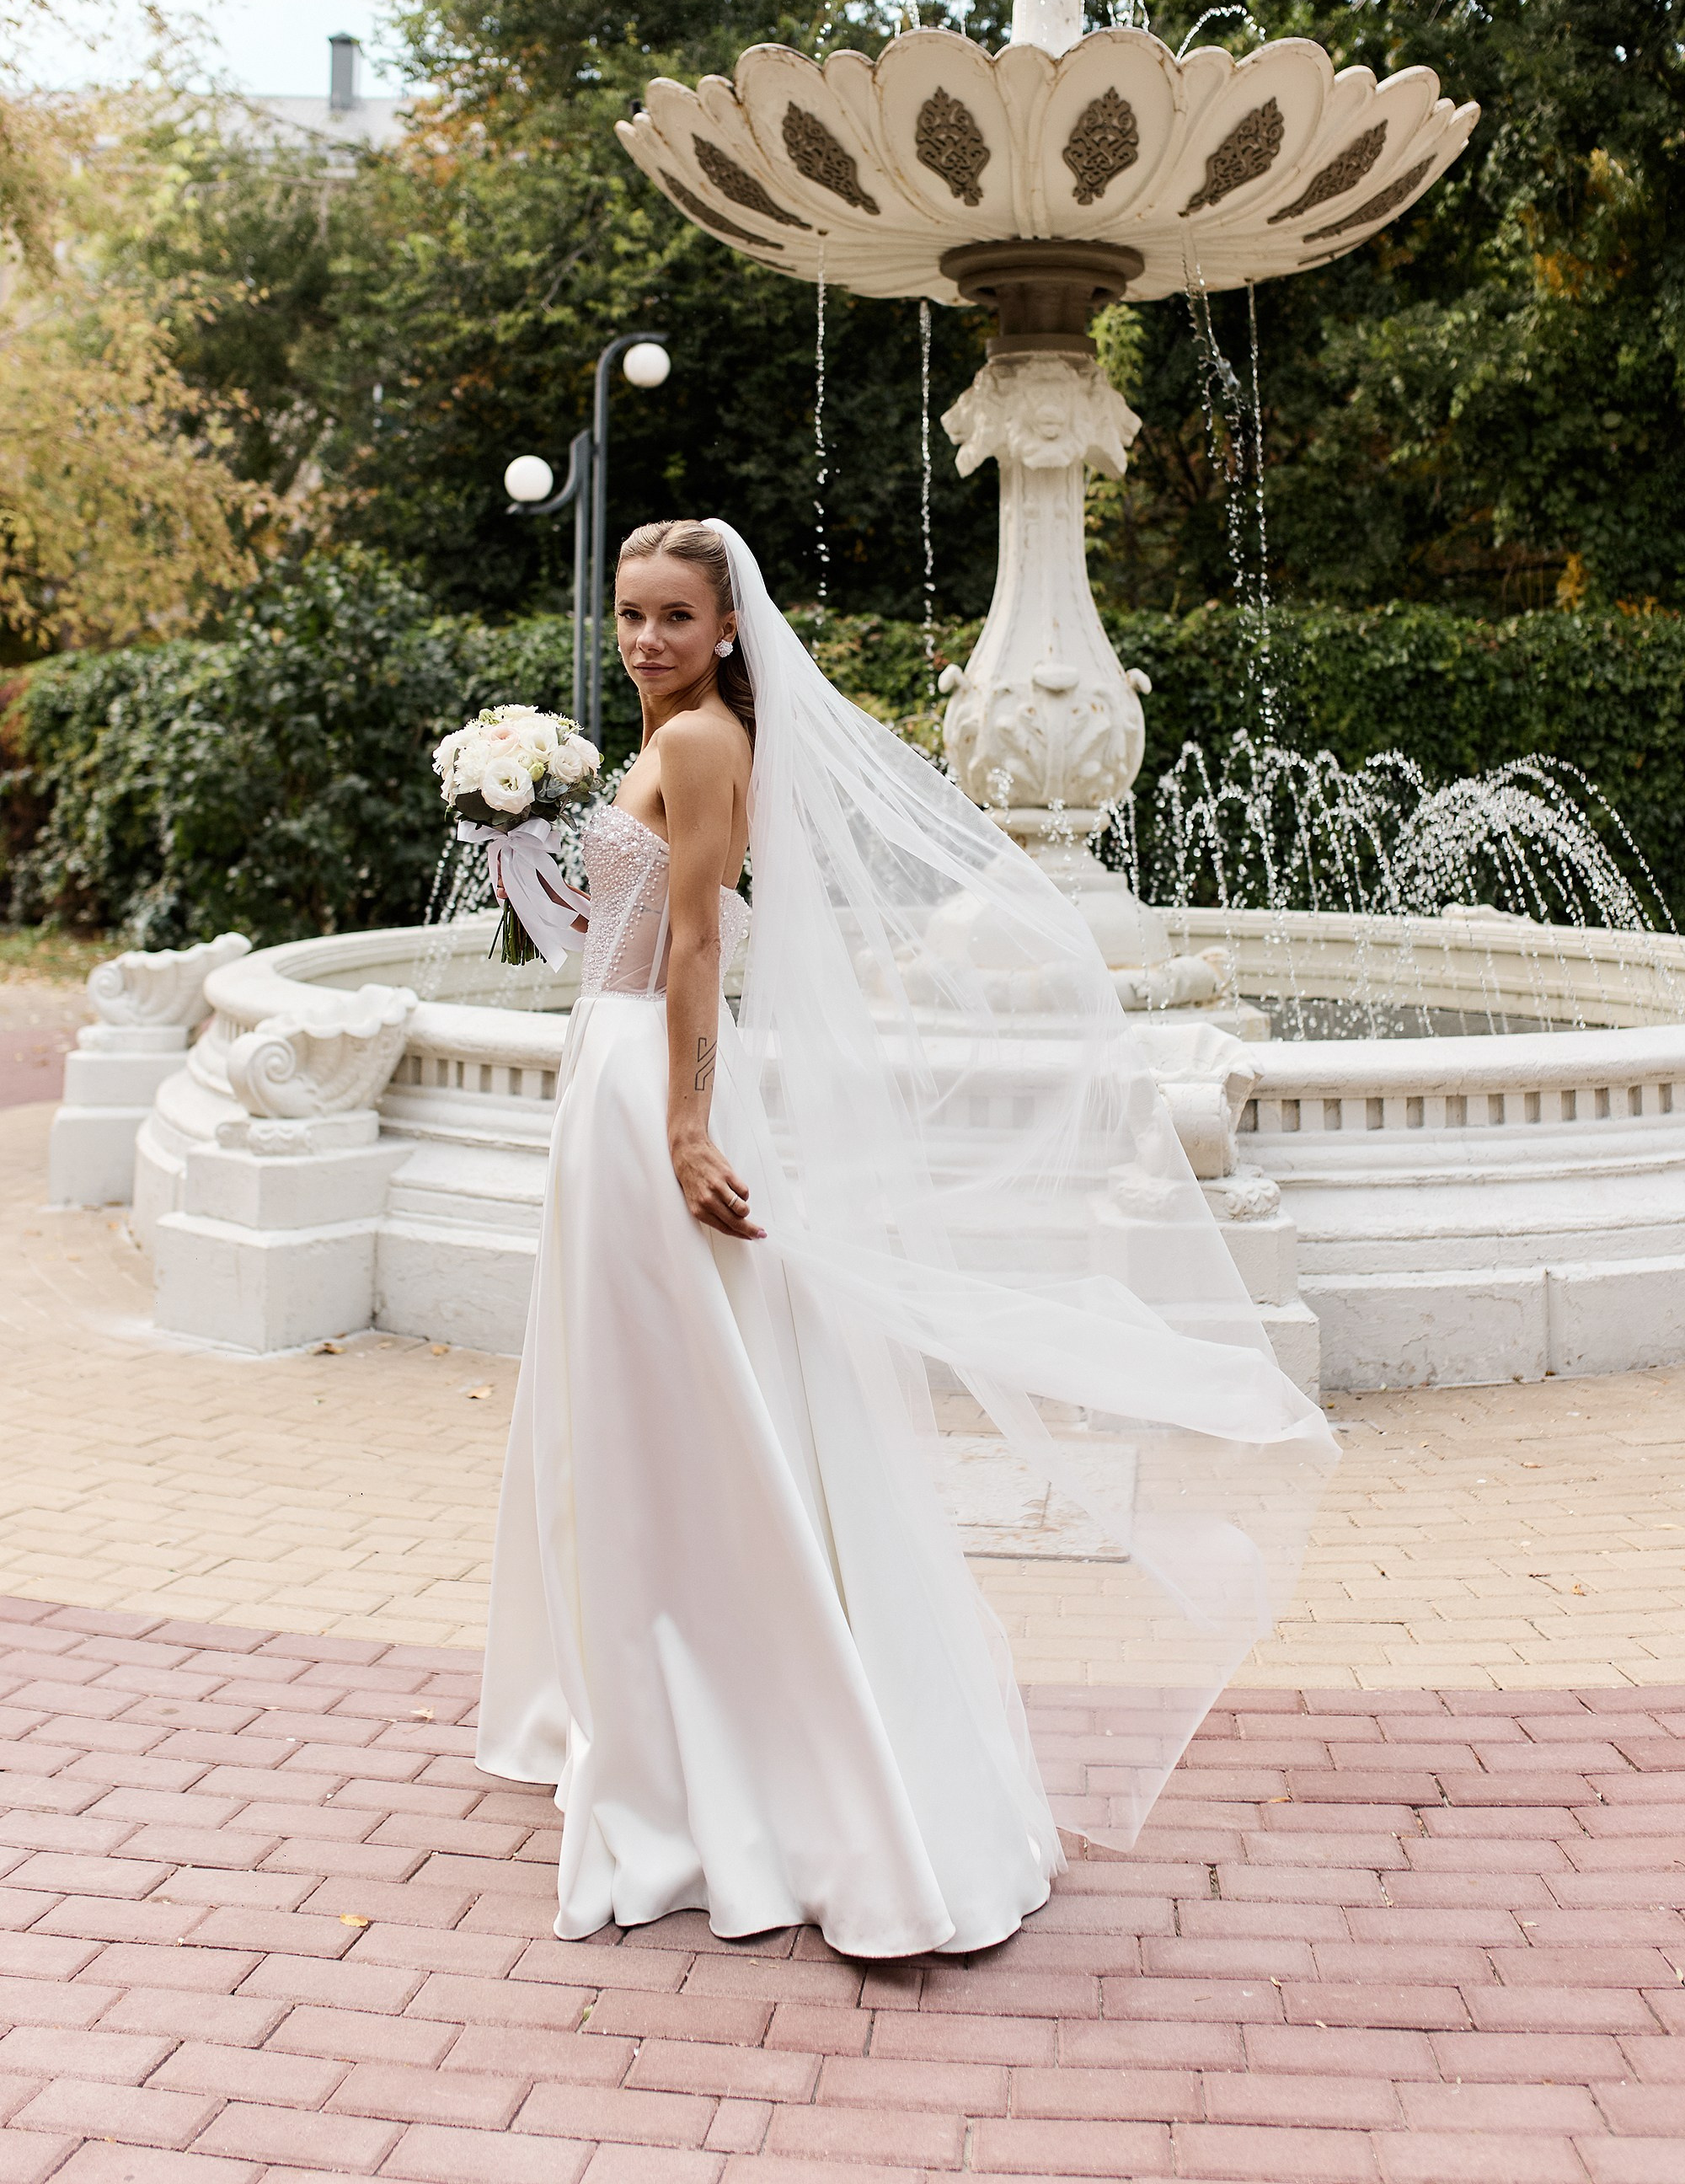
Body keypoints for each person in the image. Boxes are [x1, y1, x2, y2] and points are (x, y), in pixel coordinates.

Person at [476, 516, 1335, 1956]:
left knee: (669, 1407)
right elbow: (655, 930)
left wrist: (686, 1130)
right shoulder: (690, 737)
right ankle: (682, 1696)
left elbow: (696, 948)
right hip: (616, 1068)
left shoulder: (695, 747)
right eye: (630, 613)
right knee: (684, 1397)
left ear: (728, 626)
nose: (644, 640)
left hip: (642, 1090)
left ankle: (713, 1729)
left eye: (674, 616)